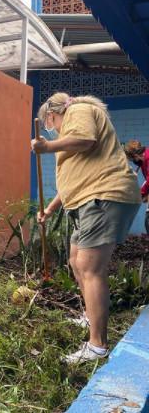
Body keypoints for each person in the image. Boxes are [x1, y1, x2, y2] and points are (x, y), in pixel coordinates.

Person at [31, 93, 141, 364]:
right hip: (87, 199)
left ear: (52, 114)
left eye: (50, 123)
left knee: (90, 268)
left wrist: (48, 146)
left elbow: (86, 140)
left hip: (103, 195)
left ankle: (97, 345)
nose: (52, 128)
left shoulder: (77, 109)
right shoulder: (72, 125)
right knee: (75, 261)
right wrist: (50, 209)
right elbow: (72, 180)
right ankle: (91, 316)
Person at [124, 140, 149, 233]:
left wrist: (141, 193)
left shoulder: (147, 157)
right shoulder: (144, 160)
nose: (133, 162)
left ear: (134, 156)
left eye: (132, 159)